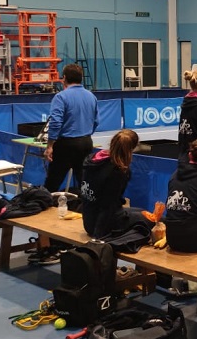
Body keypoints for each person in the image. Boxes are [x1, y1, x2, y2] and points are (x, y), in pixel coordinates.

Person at [80, 129, 151, 240]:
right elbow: (107, 206)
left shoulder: (92, 159)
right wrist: (98, 237)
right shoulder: (117, 171)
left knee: (143, 212)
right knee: (151, 220)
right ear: (131, 149)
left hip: (88, 219)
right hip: (101, 225)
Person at [44, 63, 98, 193]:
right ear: (81, 78)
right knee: (84, 184)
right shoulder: (91, 96)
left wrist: (50, 145)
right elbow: (96, 121)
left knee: (52, 184)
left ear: (64, 78)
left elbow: (55, 122)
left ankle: (44, 202)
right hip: (86, 143)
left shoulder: (61, 97)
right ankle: (84, 205)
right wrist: (85, 135)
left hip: (66, 145)